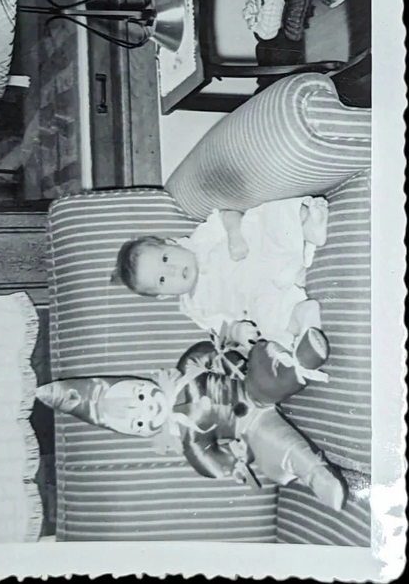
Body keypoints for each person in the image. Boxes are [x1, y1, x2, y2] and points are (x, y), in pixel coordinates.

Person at [36, 333, 347, 512]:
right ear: (139, 433)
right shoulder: (187, 437)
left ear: (142, 382)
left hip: (248, 387)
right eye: (139, 420)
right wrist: (233, 463)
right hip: (250, 427)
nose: (150, 407)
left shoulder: (187, 369)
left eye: (142, 397)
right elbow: (206, 462)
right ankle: (316, 475)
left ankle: (303, 360)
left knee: (266, 372)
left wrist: (231, 353)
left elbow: (208, 352)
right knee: (276, 449)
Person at [111, 196, 329, 352]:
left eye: (165, 259)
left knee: (268, 215)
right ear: (165, 295)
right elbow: (222, 329)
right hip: (261, 294)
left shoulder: (200, 240)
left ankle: (307, 224)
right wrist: (237, 332)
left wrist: (235, 234)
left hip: (265, 252)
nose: (172, 270)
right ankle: (301, 315)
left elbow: (228, 214)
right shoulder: (195, 308)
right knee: (267, 324)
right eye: (162, 279)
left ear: (171, 243)